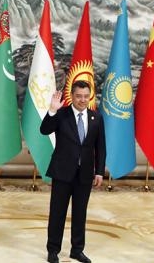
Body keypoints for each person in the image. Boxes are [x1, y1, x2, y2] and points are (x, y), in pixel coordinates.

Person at [40, 80, 105, 263]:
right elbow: (44, 130)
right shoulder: (61, 115)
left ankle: (77, 250)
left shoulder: (96, 117)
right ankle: (53, 250)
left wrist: (99, 171)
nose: (82, 100)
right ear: (72, 96)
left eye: (86, 96)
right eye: (78, 96)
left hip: (84, 174)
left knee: (80, 213)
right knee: (57, 213)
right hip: (62, 172)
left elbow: (101, 147)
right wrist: (52, 110)